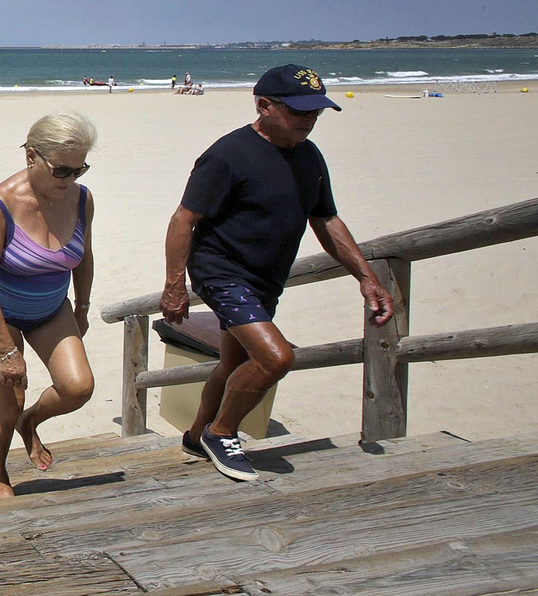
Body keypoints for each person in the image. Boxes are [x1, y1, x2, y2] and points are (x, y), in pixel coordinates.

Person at [161, 65, 393, 481]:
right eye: (299, 111)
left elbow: (327, 221)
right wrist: (174, 283)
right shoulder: (228, 154)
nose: (308, 120)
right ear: (264, 106)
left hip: (267, 279)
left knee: (232, 364)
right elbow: (184, 219)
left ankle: (196, 436)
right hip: (222, 272)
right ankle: (222, 431)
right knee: (275, 357)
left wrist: (365, 277)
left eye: (316, 112)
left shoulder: (310, 156)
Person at [0, 112, 97, 498]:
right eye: (61, 170)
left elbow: (85, 255)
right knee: (8, 404)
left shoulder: (82, 198)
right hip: (1, 312)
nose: (71, 180)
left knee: (78, 388)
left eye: (80, 169)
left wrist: (82, 307)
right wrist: (8, 351)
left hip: (52, 309)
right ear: (31, 156)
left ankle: (31, 423)